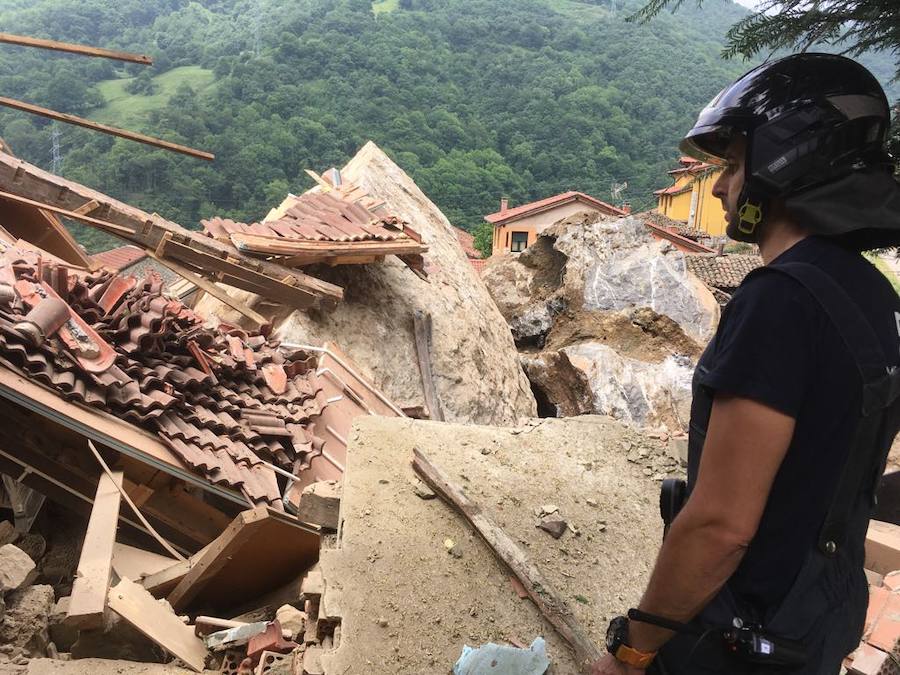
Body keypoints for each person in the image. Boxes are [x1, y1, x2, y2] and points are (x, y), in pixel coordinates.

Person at [593, 53, 900, 675]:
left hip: (744, 637)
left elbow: (720, 525)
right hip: (816, 619)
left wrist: (635, 650)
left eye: (733, 163)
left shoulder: (779, 301)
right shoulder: (876, 298)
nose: (721, 184)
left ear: (787, 159)